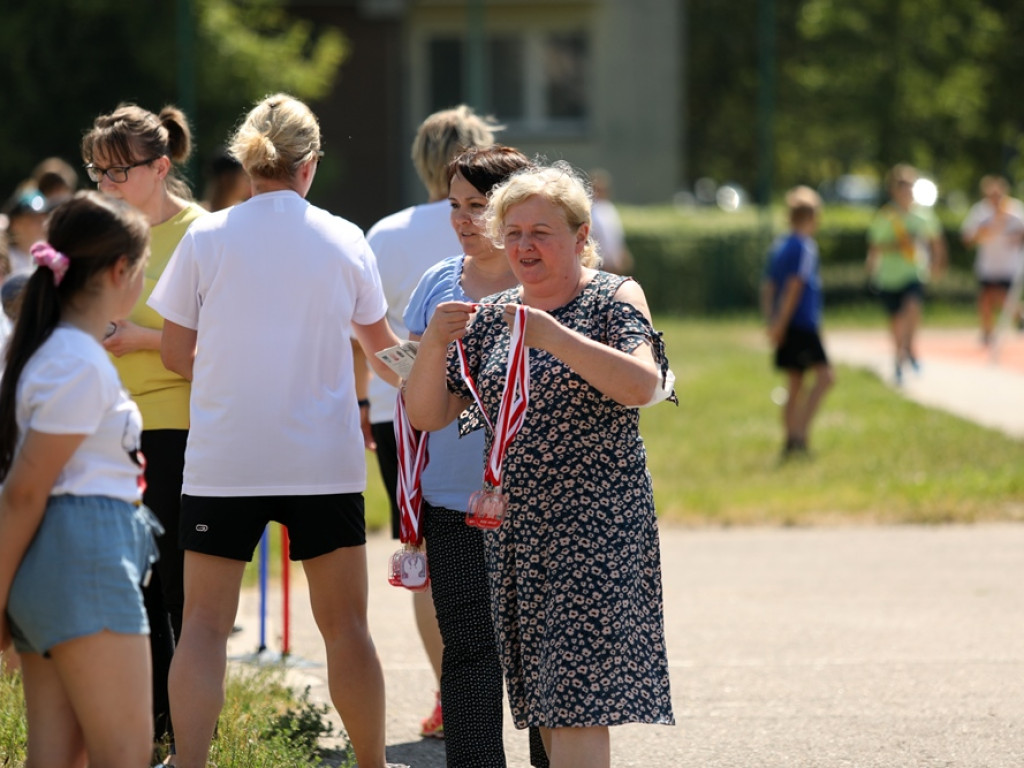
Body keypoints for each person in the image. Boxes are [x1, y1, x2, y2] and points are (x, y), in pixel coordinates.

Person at [148, 93, 404, 768]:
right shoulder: (345, 238)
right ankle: (373, 765)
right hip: (323, 460)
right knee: (346, 628)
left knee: (201, 626)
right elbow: (384, 353)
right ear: (310, 165)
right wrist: (444, 372)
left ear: (245, 161)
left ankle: (190, 763)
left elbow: (176, 355)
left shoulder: (206, 236)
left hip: (225, 459)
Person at [404, 162, 676, 768]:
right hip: (517, 537)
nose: (525, 246)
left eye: (542, 233)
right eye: (515, 232)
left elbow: (642, 384)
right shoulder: (494, 314)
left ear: (581, 237)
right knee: (547, 707)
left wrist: (553, 336)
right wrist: (431, 346)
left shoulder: (614, 295)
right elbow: (429, 414)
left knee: (577, 705)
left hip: (596, 529)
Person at [0, 191, 160, 768]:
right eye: (142, 267)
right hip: (84, 558)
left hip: (54, 565)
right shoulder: (78, 361)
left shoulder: (55, 351)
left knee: (56, 756)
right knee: (122, 756)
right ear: (121, 270)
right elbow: (23, 490)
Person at [359, 103, 500, 739]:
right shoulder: (509, 221)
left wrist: (364, 402)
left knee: (428, 553)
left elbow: (358, 326)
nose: (465, 219)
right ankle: (486, 688)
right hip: (462, 408)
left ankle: (453, 690)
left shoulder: (386, 232)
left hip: (403, 417)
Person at [82, 102, 207, 764]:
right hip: (107, 430)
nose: (105, 183)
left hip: (183, 430)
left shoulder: (203, 232)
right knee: (132, 589)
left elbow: (228, 338)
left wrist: (137, 339)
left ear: (161, 167)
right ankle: (151, 735)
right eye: (97, 170)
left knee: (179, 588)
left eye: (118, 170)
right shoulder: (101, 233)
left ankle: (187, 738)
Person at [403, 145, 533, 766]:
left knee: (541, 657)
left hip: (534, 502)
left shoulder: (545, 279)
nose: (461, 219)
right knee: (469, 651)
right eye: (455, 205)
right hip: (452, 498)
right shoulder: (438, 282)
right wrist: (427, 347)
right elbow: (410, 381)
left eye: (477, 206)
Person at [761, 186, 835, 458]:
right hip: (801, 322)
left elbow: (768, 287)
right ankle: (800, 433)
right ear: (812, 216)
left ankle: (792, 440)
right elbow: (795, 287)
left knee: (795, 382)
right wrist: (781, 323)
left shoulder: (779, 245)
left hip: (787, 322)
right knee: (826, 377)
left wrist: (772, 320)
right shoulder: (805, 246)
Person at [866, 164, 947, 384]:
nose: (906, 192)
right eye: (902, 187)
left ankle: (909, 349)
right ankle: (900, 356)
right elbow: (875, 247)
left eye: (909, 187)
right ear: (894, 190)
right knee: (896, 322)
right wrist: (893, 250)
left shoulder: (923, 216)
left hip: (913, 273)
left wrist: (937, 265)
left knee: (912, 308)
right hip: (889, 277)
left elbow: (936, 242)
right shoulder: (886, 216)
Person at [960, 175, 1024, 344]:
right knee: (986, 298)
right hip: (987, 265)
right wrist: (984, 232)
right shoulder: (979, 211)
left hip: (1010, 265)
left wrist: (1016, 238)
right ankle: (987, 332)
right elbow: (967, 237)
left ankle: (1019, 315)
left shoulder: (1016, 210)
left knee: (1004, 298)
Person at [588, 168, 633, 275]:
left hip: (613, 265)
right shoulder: (589, 210)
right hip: (599, 265)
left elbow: (616, 236)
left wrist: (622, 255)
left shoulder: (609, 208)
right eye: (597, 188)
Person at [2, 184, 51, 276]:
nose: (41, 224)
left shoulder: (50, 257)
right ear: (15, 223)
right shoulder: (4, 260)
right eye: (33, 219)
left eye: (43, 218)